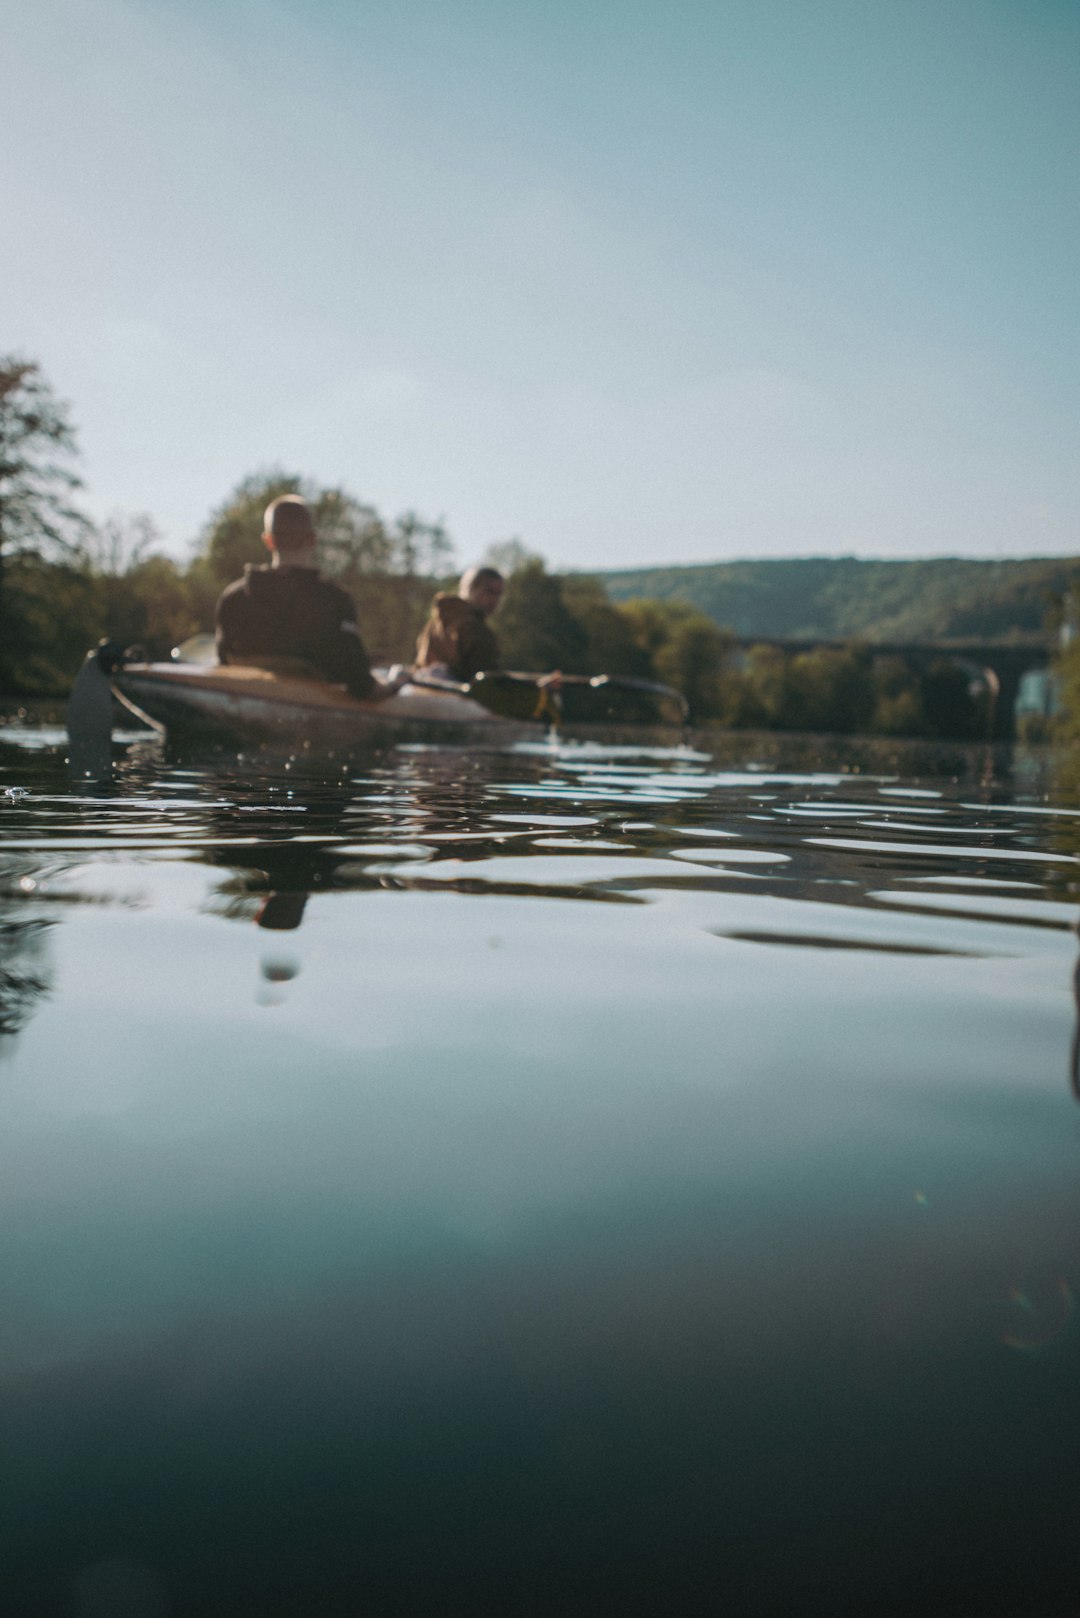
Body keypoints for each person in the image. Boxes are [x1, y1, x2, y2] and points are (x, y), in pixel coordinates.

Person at [215, 495, 401, 700]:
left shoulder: (232, 599)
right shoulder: (335, 601)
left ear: (268, 540)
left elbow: (224, 666)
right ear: (312, 539)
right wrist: (395, 683)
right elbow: (362, 686)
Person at [414, 565, 504, 682]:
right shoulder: (475, 629)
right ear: (469, 588)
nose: (495, 599)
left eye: (499, 594)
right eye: (490, 591)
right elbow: (486, 683)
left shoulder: (436, 622)